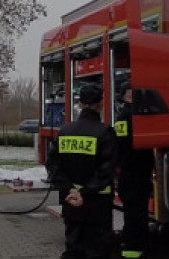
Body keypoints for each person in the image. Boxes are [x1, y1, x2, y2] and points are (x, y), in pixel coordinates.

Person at [46, 82, 118, 259]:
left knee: (73, 247)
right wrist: (84, 193)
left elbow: (53, 165)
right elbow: (106, 170)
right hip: (97, 204)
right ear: (100, 104)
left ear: (79, 104)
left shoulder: (65, 131)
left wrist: (71, 189)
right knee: (98, 249)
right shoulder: (105, 132)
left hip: (71, 202)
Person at [114, 79, 154, 259]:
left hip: (136, 173)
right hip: (132, 174)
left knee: (138, 213)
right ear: (126, 95)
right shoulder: (125, 116)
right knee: (134, 214)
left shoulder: (131, 114)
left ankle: (140, 246)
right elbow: (124, 144)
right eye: (131, 91)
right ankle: (131, 250)